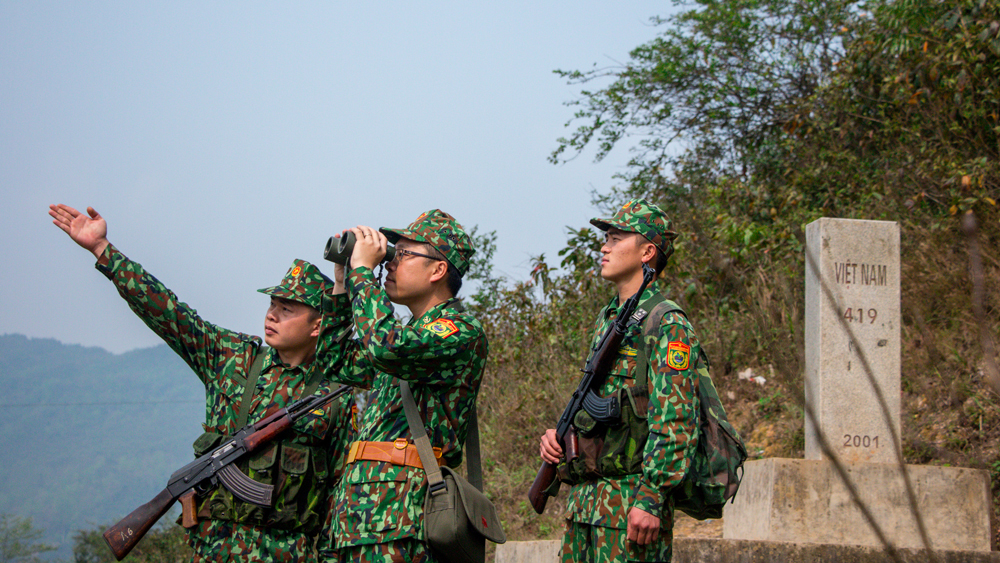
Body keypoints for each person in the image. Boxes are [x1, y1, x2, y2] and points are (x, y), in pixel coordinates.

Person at [49, 203, 355, 563]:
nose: (271, 314)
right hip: (214, 549)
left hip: (287, 553)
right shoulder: (233, 358)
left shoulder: (333, 393)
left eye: (287, 309)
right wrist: (104, 251)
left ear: (318, 326)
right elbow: (168, 313)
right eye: (272, 304)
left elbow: (341, 492)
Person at [314, 210, 487, 562]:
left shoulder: (459, 331)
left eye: (403, 254)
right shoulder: (404, 339)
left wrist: (364, 272)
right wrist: (343, 284)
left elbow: (386, 347)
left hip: (405, 519)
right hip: (360, 517)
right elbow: (335, 361)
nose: (390, 263)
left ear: (438, 270)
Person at [538, 199, 700, 563]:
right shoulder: (609, 318)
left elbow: (677, 420)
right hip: (584, 507)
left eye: (615, 238)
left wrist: (652, 498)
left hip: (628, 509)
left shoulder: (665, 321)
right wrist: (561, 440)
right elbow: (594, 404)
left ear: (647, 251)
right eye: (605, 238)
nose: (603, 247)